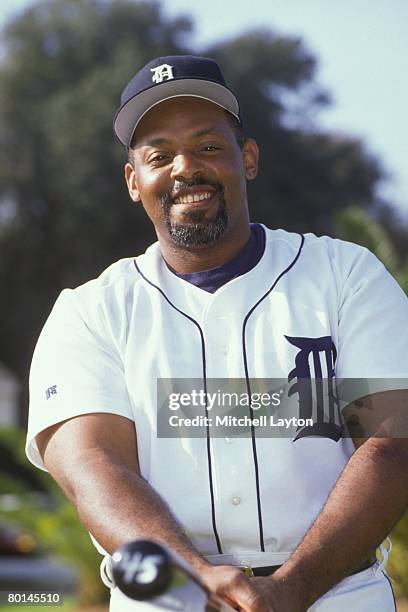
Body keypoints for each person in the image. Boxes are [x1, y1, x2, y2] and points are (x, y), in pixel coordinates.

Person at [26, 55, 408, 611]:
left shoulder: (345, 274)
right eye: (159, 155)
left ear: (247, 159)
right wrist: (199, 581)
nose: (186, 167)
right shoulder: (89, 311)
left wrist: (292, 587)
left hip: (337, 595)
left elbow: (392, 442)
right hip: (167, 601)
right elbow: (94, 469)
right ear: (134, 181)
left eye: (208, 146)